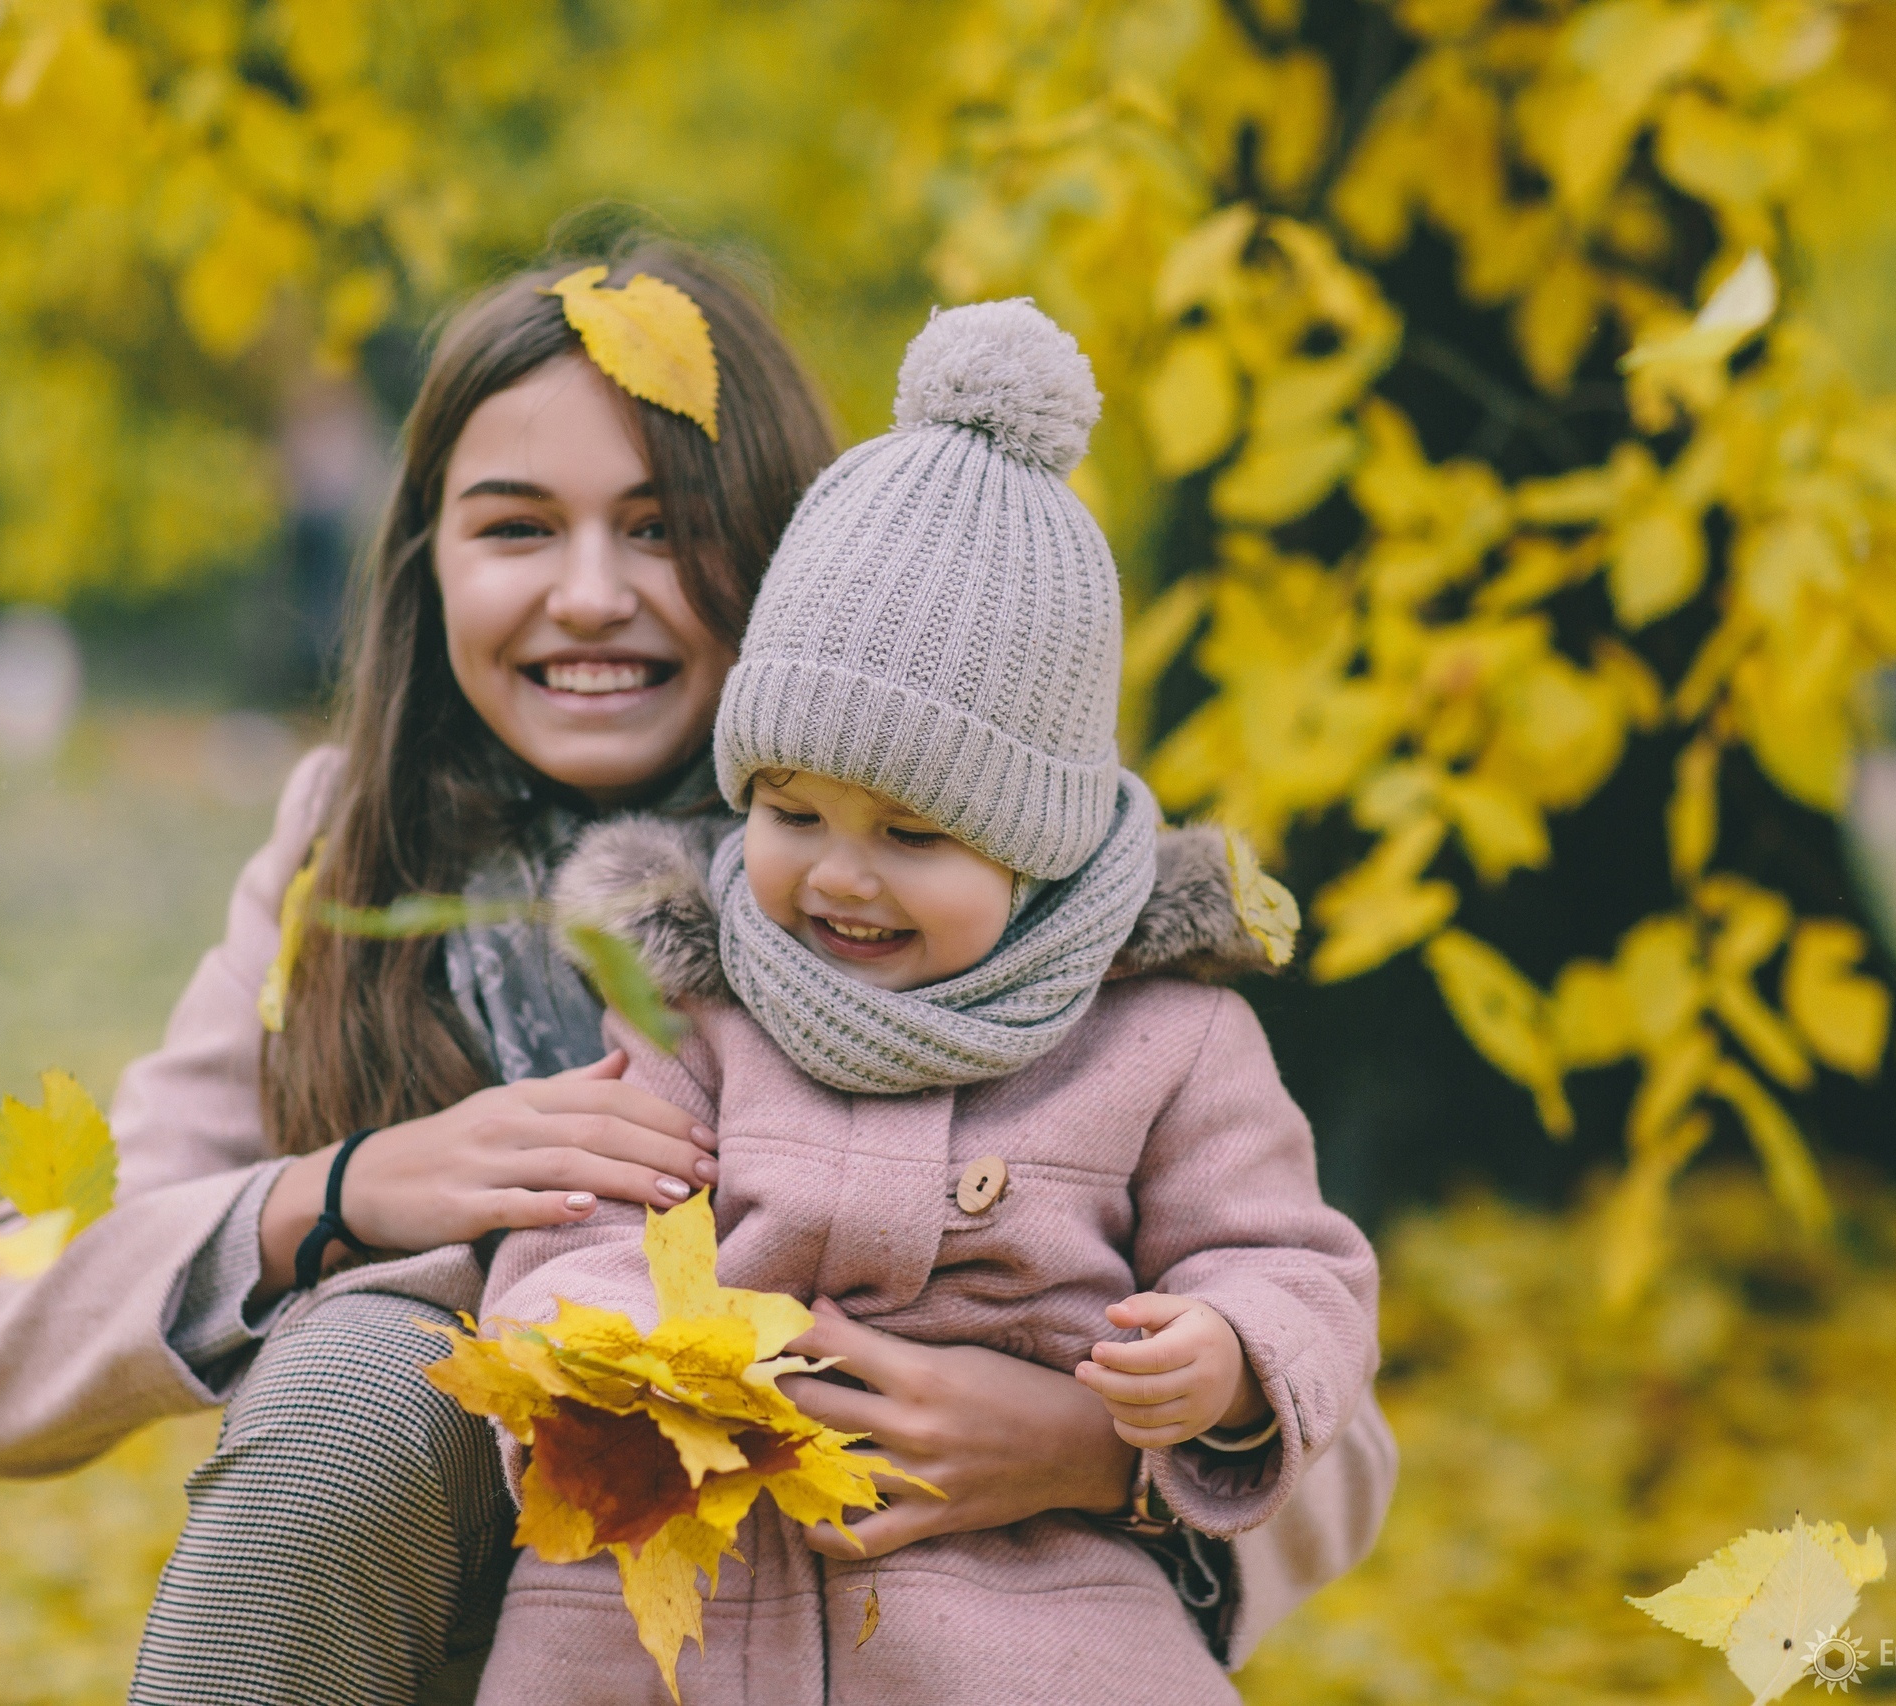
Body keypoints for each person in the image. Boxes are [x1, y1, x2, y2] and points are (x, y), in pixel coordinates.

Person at [0, 242, 1391, 1705]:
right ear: (431, 563)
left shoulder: (983, 893)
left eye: (660, 527)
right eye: (516, 530)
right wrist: (344, 1192)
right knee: (369, 1372)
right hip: (522, 1645)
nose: (589, 595)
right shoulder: (350, 858)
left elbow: (1328, 1403)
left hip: (938, 1629)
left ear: (780, 543)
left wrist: (1089, 1442)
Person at [467, 300, 1383, 1705]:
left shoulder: (1165, 1036)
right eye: (790, 810)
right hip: (681, 1610)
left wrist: (1231, 1358)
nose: (841, 876)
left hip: (1025, 1613)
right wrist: (602, 1347)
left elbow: (1291, 1258)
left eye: (913, 835)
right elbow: (587, 1220)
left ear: (1037, 844)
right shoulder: (696, 1008)